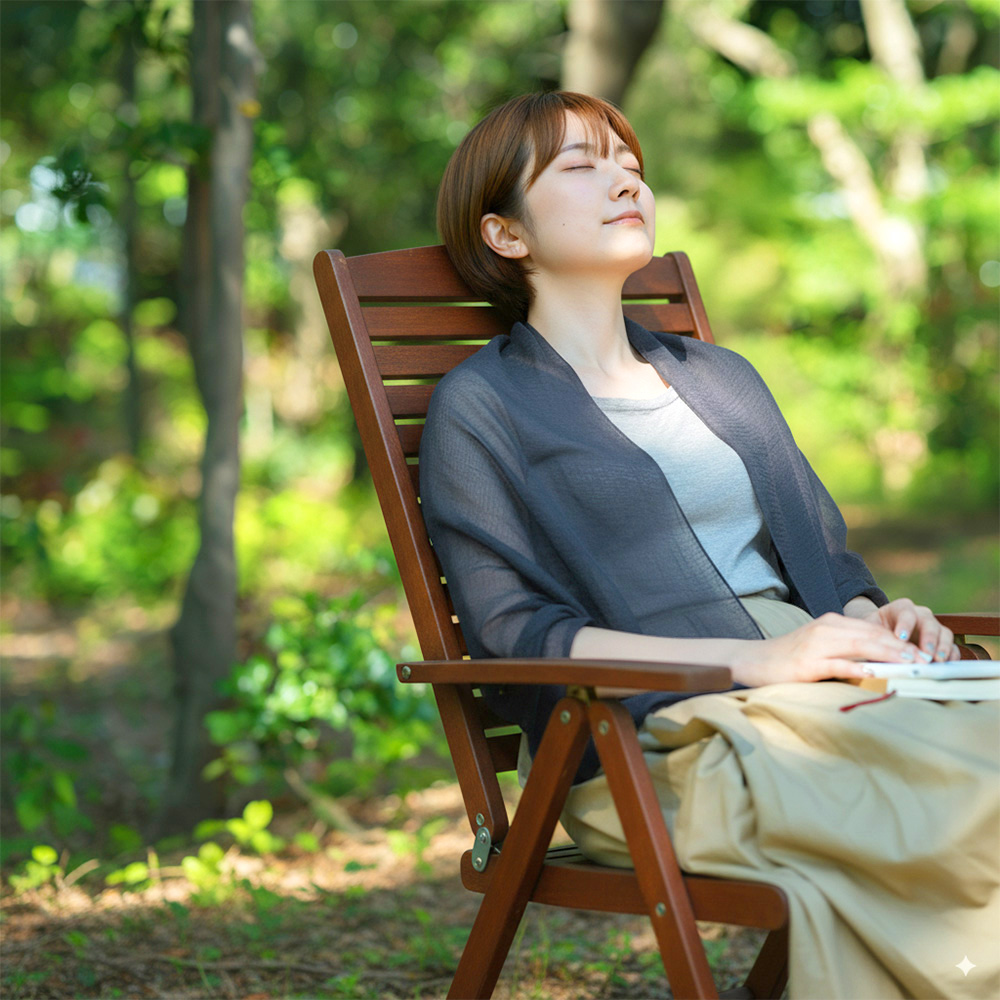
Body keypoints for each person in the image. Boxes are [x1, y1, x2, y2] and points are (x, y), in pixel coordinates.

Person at [419, 92, 998, 999]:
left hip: (828, 690)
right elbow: (515, 635)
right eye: (582, 167)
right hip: (644, 736)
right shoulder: (482, 407)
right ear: (506, 234)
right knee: (956, 793)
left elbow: (827, 568)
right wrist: (761, 661)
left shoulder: (720, 376)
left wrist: (876, 619)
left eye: (631, 165)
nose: (624, 181)